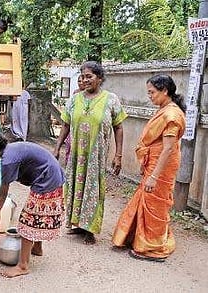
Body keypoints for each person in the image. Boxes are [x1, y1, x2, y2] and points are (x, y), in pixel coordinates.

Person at [112, 74, 186, 262]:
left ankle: (154, 248)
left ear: (165, 91)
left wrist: (154, 176)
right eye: (148, 92)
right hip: (154, 163)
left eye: (152, 92)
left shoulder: (172, 115)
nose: (150, 96)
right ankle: (140, 240)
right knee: (146, 200)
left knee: (156, 204)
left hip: (162, 166)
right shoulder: (164, 110)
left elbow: (168, 148)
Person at [53, 61, 127, 245]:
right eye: (83, 76)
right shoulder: (74, 100)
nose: (85, 80)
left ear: (99, 78)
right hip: (77, 156)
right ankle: (77, 224)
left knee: (92, 190)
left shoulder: (111, 99)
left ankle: (90, 229)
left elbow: (118, 127)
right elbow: (66, 126)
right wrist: (57, 148)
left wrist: (118, 155)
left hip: (96, 157)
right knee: (75, 188)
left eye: (89, 76)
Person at [0, 134, 65, 278]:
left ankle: (23, 266)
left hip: (47, 179)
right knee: (38, 215)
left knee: (27, 221)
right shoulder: (9, 150)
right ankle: (37, 247)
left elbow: (3, 192)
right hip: (51, 175)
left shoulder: (8, 160)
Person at [64, 75, 86, 164]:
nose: (80, 83)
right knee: (70, 145)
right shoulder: (75, 94)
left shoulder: (90, 96)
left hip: (84, 125)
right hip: (73, 124)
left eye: (82, 81)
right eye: (79, 81)